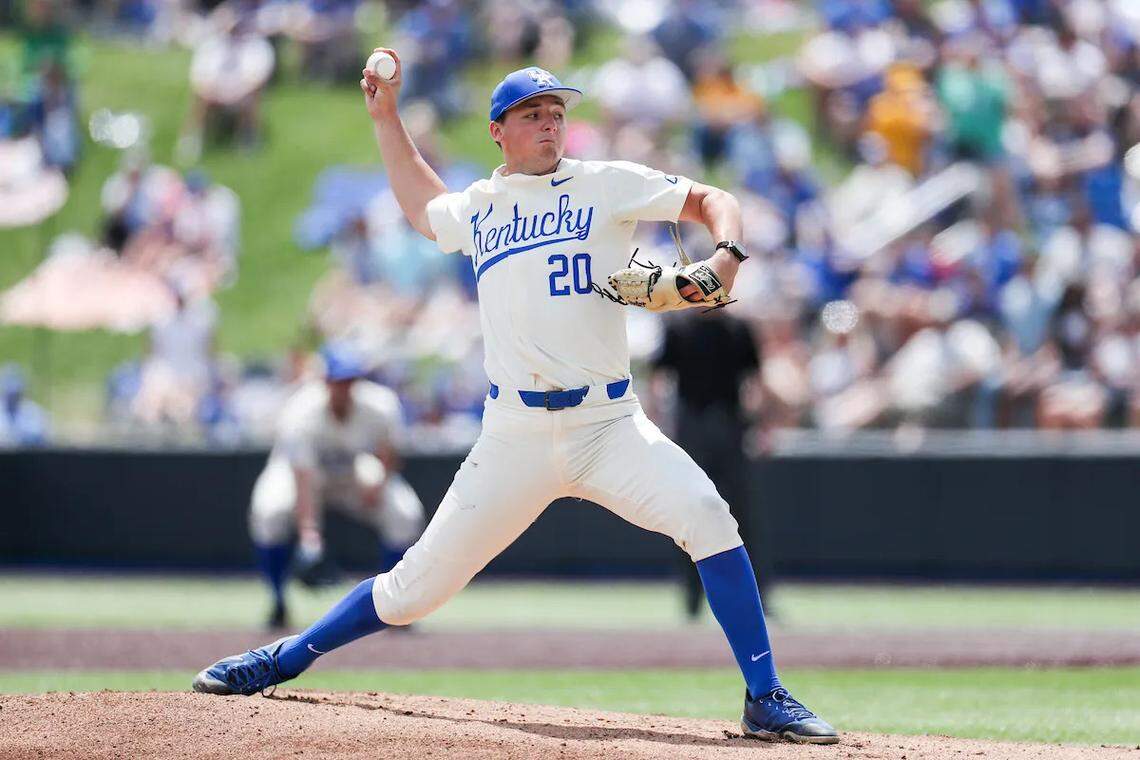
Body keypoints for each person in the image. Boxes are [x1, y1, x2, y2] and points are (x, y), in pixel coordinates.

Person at [192, 54, 838, 745]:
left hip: (608, 423)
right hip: (514, 436)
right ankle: (280, 658)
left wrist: (726, 254)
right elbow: (419, 206)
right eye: (533, 115)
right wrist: (385, 118)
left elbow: (712, 200)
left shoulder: (605, 183)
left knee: (710, 516)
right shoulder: (480, 207)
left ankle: (764, 694)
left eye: (558, 113)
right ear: (498, 131)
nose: (550, 125)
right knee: (413, 592)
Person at [248, 343, 425, 629]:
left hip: (352, 471)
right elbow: (303, 477)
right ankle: (278, 602)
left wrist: (378, 484)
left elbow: (390, 452)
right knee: (270, 512)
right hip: (298, 473)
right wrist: (309, 535)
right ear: (325, 380)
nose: (344, 387)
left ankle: (398, 607)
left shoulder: (380, 403)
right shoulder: (301, 410)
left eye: (350, 380)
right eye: (338, 380)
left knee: (404, 514)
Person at [650, 308, 768, 621]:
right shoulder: (678, 327)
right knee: (686, 515)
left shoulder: (739, 327)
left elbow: (755, 380)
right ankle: (692, 600)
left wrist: (760, 423)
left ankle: (757, 599)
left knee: (740, 515)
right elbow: (659, 376)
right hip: (691, 425)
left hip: (729, 425)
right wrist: (656, 419)